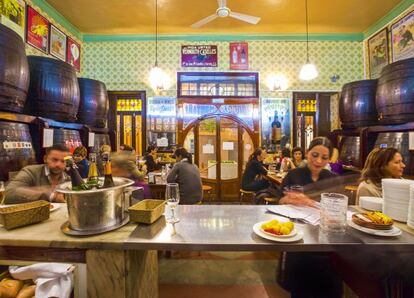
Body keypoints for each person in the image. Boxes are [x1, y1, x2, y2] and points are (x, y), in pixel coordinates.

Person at [278, 137, 343, 298]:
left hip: (326, 244)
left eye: (324, 157)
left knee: (329, 290)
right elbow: (279, 201)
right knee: (299, 290)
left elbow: (341, 211)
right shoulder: (293, 175)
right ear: (307, 153)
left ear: (330, 159)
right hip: (298, 241)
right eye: (314, 155)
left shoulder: (333, 179)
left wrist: (324, 211)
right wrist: (288, 199)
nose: (319, 161)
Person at [4, 144, 70, 204]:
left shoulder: (68, 179)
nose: (58, 164)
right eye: (54, 160)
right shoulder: (30, 171)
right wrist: (50, 195)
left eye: (63, 161)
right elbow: (9, 193)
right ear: (45, 159)